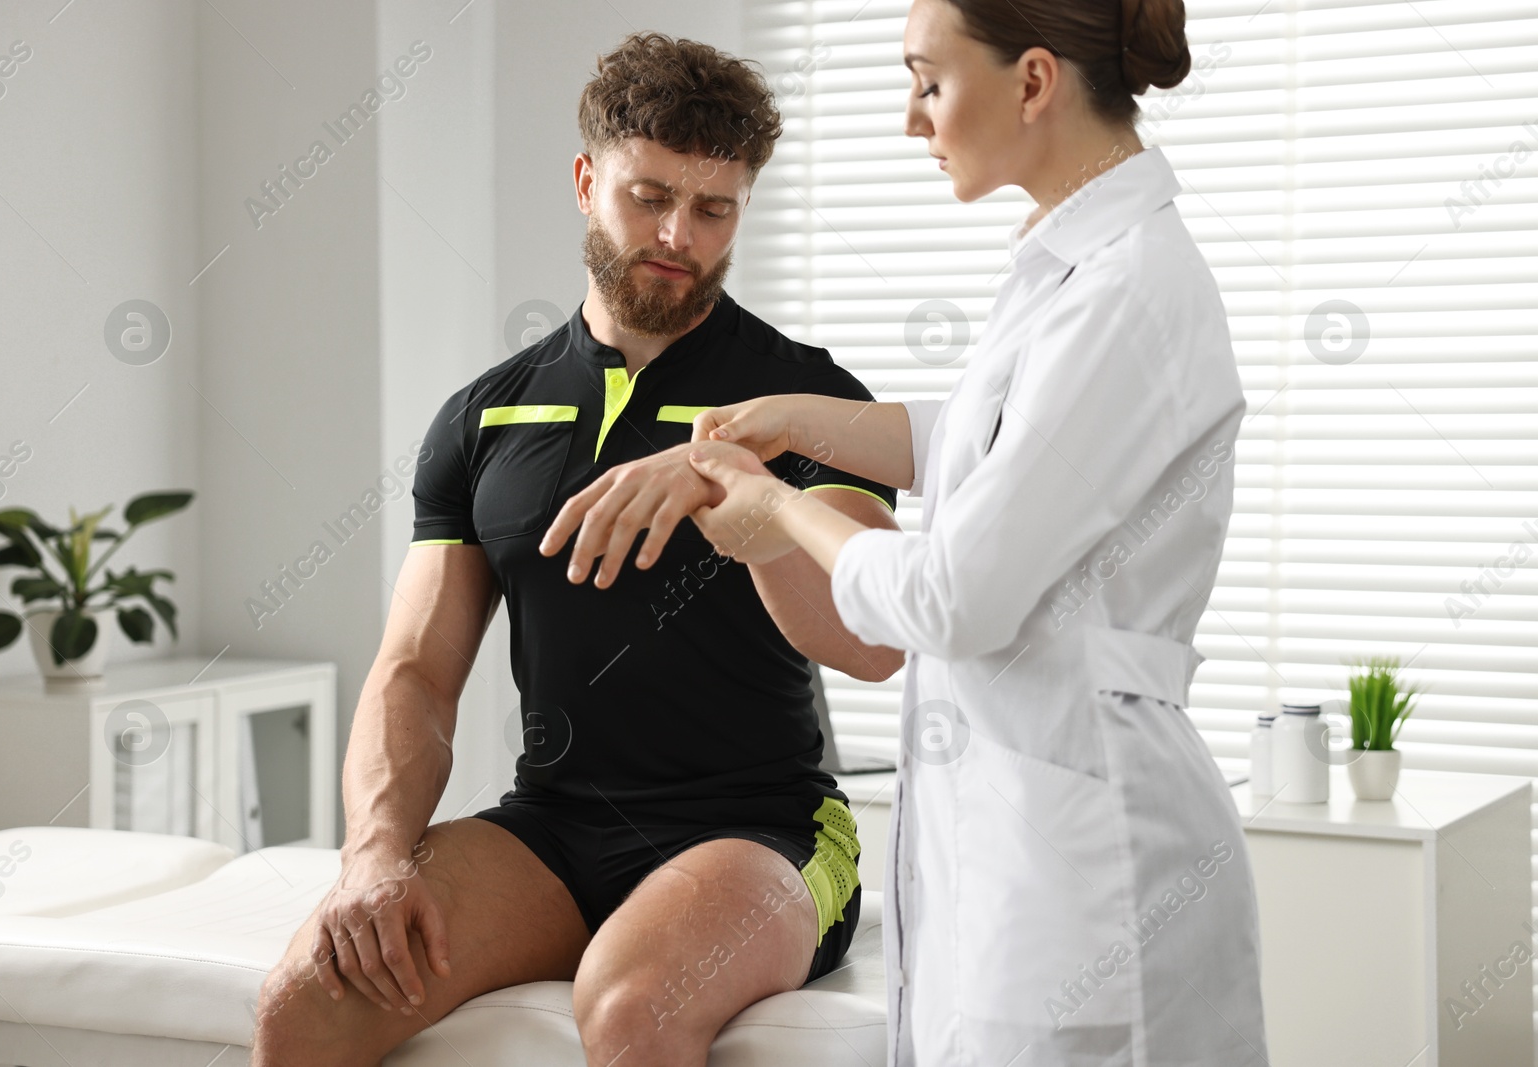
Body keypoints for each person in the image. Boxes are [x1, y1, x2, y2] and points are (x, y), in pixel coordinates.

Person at [544, 1, 1269, 1064]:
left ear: (1031, 83)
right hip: (1027, 830)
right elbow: (986, 443)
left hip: (1090, 862)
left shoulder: (1126, 290)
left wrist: (778, 510)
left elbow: (949, 598)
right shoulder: (1072, 267)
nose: (910, 120)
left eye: (928, 82)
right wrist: (791, 419)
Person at [250, 32, 905, 1067]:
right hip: (552, 825)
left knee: (634, 1006)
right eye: (648, 196)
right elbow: (417, 670)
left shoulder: (803, 401)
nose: (678, 234)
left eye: (713, 208)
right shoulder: (485, 415)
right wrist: (374, 853)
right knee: (307, 998)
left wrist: (746, 506)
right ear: (585, 178)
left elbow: (873, 643)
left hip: (759, 828)